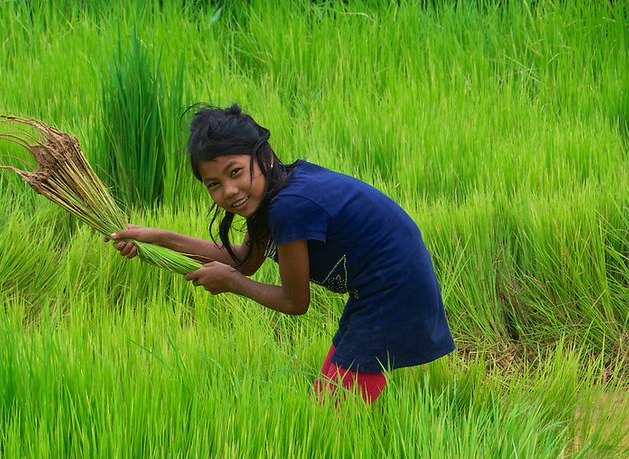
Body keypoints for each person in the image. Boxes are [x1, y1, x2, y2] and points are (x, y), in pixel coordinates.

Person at [107, 104, 454, 404]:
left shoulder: (289, 207)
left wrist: (233, 283)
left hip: (395, 290)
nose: (229, 191)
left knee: (333, 410)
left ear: (265, 157)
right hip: (375, 288)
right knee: (330, 393)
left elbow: (294, 302)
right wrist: (155, 238)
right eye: (214, 183)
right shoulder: (273, 196)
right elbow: (245, 260)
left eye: (235, 172)